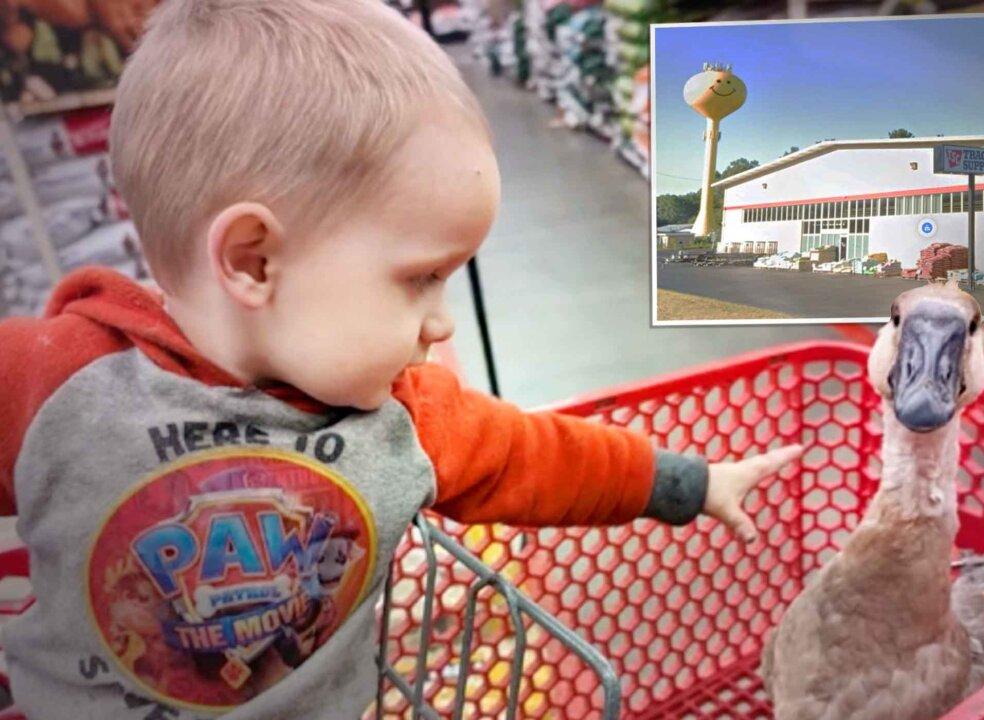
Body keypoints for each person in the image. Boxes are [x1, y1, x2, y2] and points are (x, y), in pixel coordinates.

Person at [0, 1, 803, 717]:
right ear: (253, 261)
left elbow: (538, 456)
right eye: (420, 279)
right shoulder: (53, 382)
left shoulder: (401, 415)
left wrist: (687, 482)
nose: (439, 324)